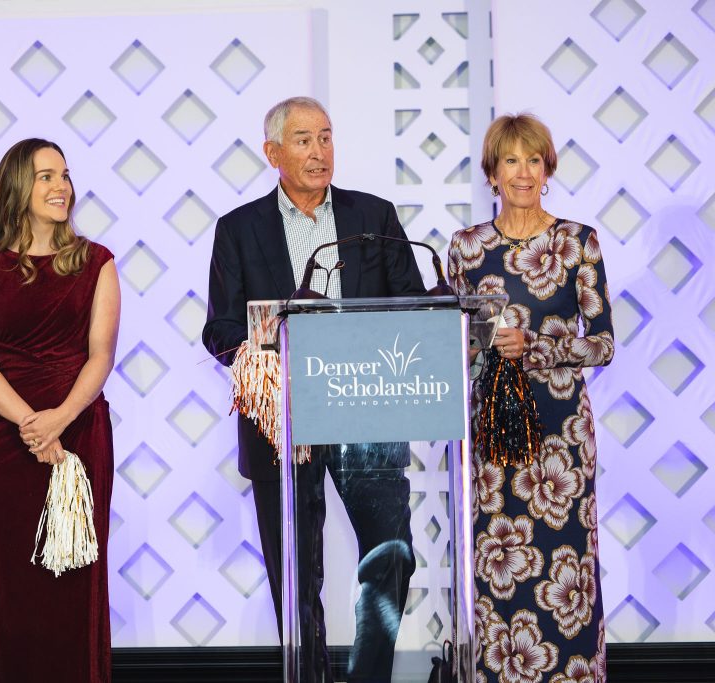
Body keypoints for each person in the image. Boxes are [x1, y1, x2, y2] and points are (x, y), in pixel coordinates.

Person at [202, 96, 426, 682]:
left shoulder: (373, 218)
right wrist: (263, 345)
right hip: (285, 422)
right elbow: (220, 328)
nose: (319, 150)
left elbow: (414, 305)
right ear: (272, 152)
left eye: (326, 137)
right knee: (297, 574)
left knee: (391, 554)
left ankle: (369, 675)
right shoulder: (239, 229)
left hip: (367, 413)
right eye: (303, 140)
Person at [447, 113, 613, 683]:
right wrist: (475, 350)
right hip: (492, 432)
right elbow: (456, 342)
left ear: (548, 169)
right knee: (498, 561)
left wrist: (536, 345)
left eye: (533, 160)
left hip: (561, 436)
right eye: (511, 161)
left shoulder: (577, 243)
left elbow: (604, 343)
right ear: (492, 174)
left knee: (564, 558)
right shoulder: (466, 248)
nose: (523, 173)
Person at [0, 138, 119, 682]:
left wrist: (60, 420)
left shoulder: (98, 262)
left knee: (76, 578)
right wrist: (34, 425)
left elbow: (101, 357)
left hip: (79, 433)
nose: (62, 187)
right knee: (8, 579)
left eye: (66, 175)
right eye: (47, 176)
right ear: (17, 188)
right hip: (4, 443)